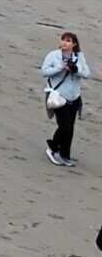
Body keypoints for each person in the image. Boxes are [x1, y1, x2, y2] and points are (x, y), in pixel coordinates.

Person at [43, 33, 89, 167]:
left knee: (70, 128)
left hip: (74, 97)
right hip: (57, 96)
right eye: (63, 40)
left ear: (74, 44)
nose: (64, 43)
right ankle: (52, 149)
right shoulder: (53, 55)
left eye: (68, 41)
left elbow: (86, 73)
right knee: (65, 127)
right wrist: (60, 68)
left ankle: (65, 155)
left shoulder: (79, 57)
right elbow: (44, 71)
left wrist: (75, 69)